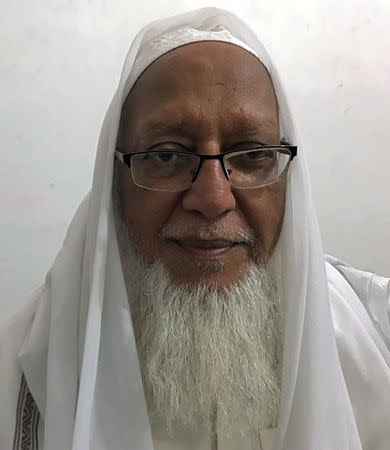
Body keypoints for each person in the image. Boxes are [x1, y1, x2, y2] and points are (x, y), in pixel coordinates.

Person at [1, 7, 389, 450]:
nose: (213, 199)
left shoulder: (375, 339)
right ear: (113, 183)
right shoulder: (20, 372)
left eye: (251, 154)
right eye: (167, 155)